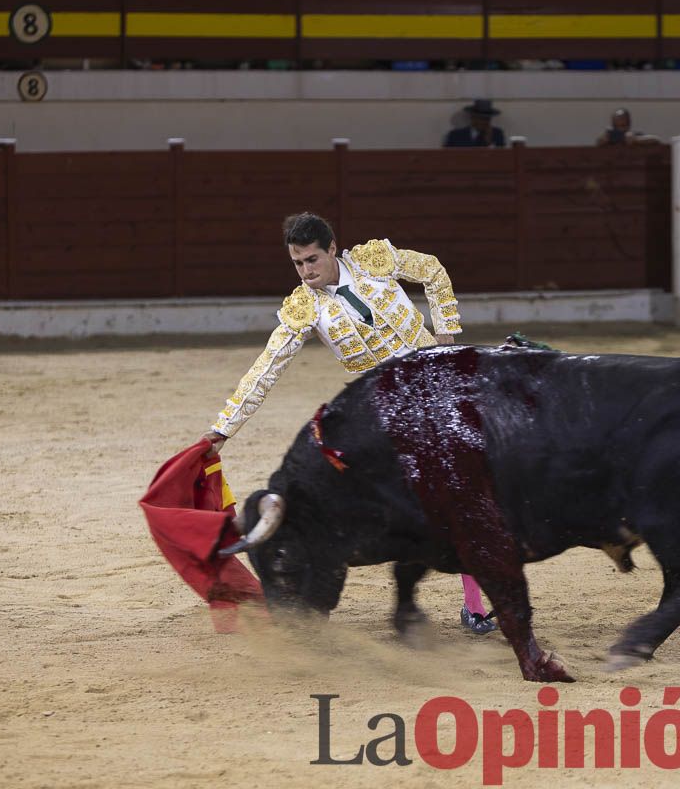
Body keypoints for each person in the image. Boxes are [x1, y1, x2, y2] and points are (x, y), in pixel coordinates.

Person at [202, 211, 498, 634]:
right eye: (297, 263)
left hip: (436, 385)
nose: (306, 272)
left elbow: (432, 270)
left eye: (312, 260)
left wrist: (446, 337)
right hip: (382, 409)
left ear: (332, 249)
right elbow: (266, 369)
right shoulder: (305, 307)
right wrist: (223, 429)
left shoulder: (374, 261)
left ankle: (473, 603)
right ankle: (313, 590)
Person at [596, 108, 660, 146]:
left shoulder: (634, 135)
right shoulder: (610, 137)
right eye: (616, 126)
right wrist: (603, 139)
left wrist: (636, 139)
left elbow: (656, 140)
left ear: (628, 125)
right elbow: (598, 143)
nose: (619, 129)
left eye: (623, 125)